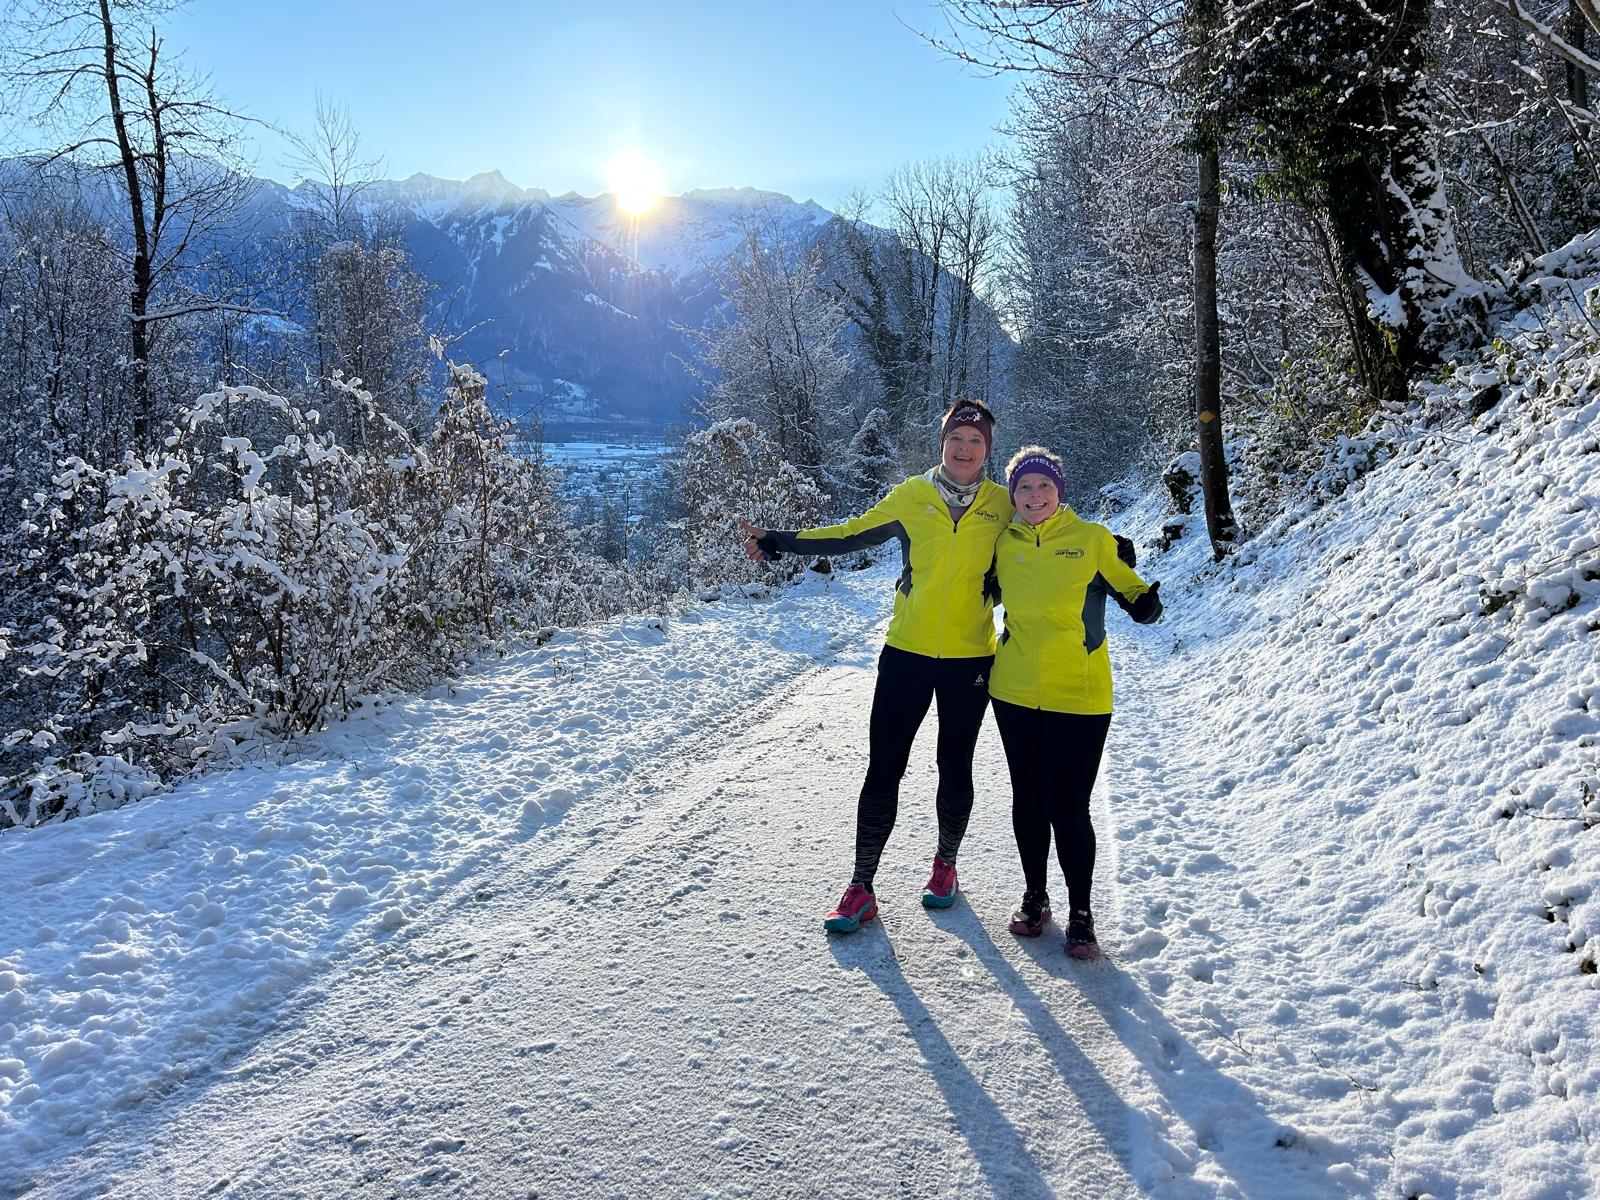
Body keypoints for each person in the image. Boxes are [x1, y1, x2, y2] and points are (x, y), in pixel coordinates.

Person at [740, 400, 1012, 933]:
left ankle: (945, 867)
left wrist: (1106, 554)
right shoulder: (912, 496)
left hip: (970, 660)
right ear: (942, 443)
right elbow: (849, 533)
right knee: (883, 768)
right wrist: (778, 541)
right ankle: (861, 886)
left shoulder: (1004, 505)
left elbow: (1049, 538)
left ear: (988, 450)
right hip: (906, 654)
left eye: (975, 441)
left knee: (955, 765)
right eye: (956, 438)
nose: (964, 448)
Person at [987, 446, 1163, 959]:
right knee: (1028, 799)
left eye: (1043, 485)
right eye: (1023, 487)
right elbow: (973, 586)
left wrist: (1144, 600)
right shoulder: (1004, 543)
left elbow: (1139, 600)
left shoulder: (1090, 540)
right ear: (1013, 495)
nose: (1034, 495)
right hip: (1013, 691)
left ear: (1059, 491)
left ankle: (1080, 912)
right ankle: (1036, 897)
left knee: (1069, 805)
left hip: (1080, 696)